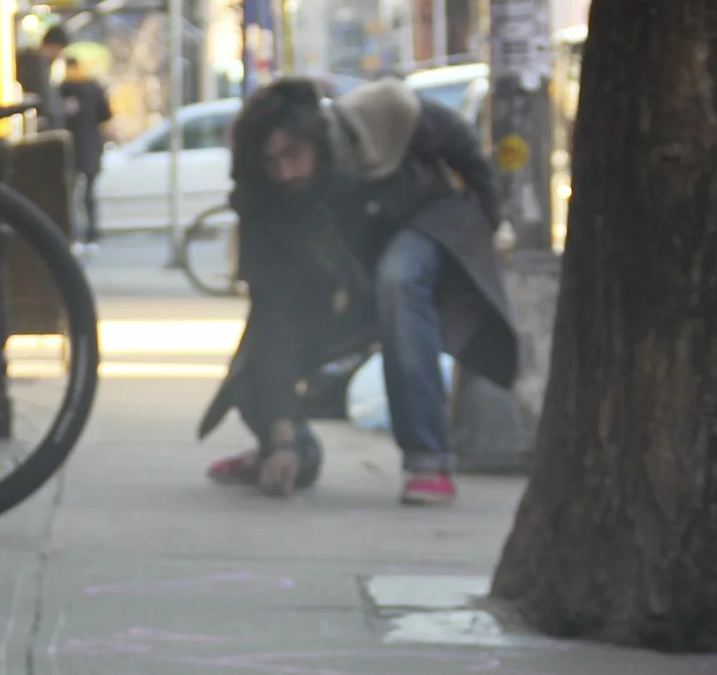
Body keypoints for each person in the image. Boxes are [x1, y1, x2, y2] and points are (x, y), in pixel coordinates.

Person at [198, 75, 517, 505]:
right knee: (254, 364)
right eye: (271, 162)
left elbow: (458, 142)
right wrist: (283, 439)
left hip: (424, 227)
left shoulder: (376, 114)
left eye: (292, 154)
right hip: (347, 282)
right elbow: (271, 316)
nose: (285, 171)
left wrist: (490, 218)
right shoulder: (265, 207)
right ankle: (288, 457)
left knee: (398, 278)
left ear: (314, 137)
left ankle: (428, 459)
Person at [58, 51, 114, 246]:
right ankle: (91, 234)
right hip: (91, 145)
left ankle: (72, 234)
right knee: (89, 194)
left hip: (68, 147)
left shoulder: (62, 89)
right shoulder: (93, 87)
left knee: (68, 194)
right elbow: (106, 115)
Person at [14, 24, 68, 129]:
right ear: (53, 46)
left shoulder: (43, 62)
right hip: (33, 120)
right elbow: (43, 93)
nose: (59, 55)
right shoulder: (34, 62)